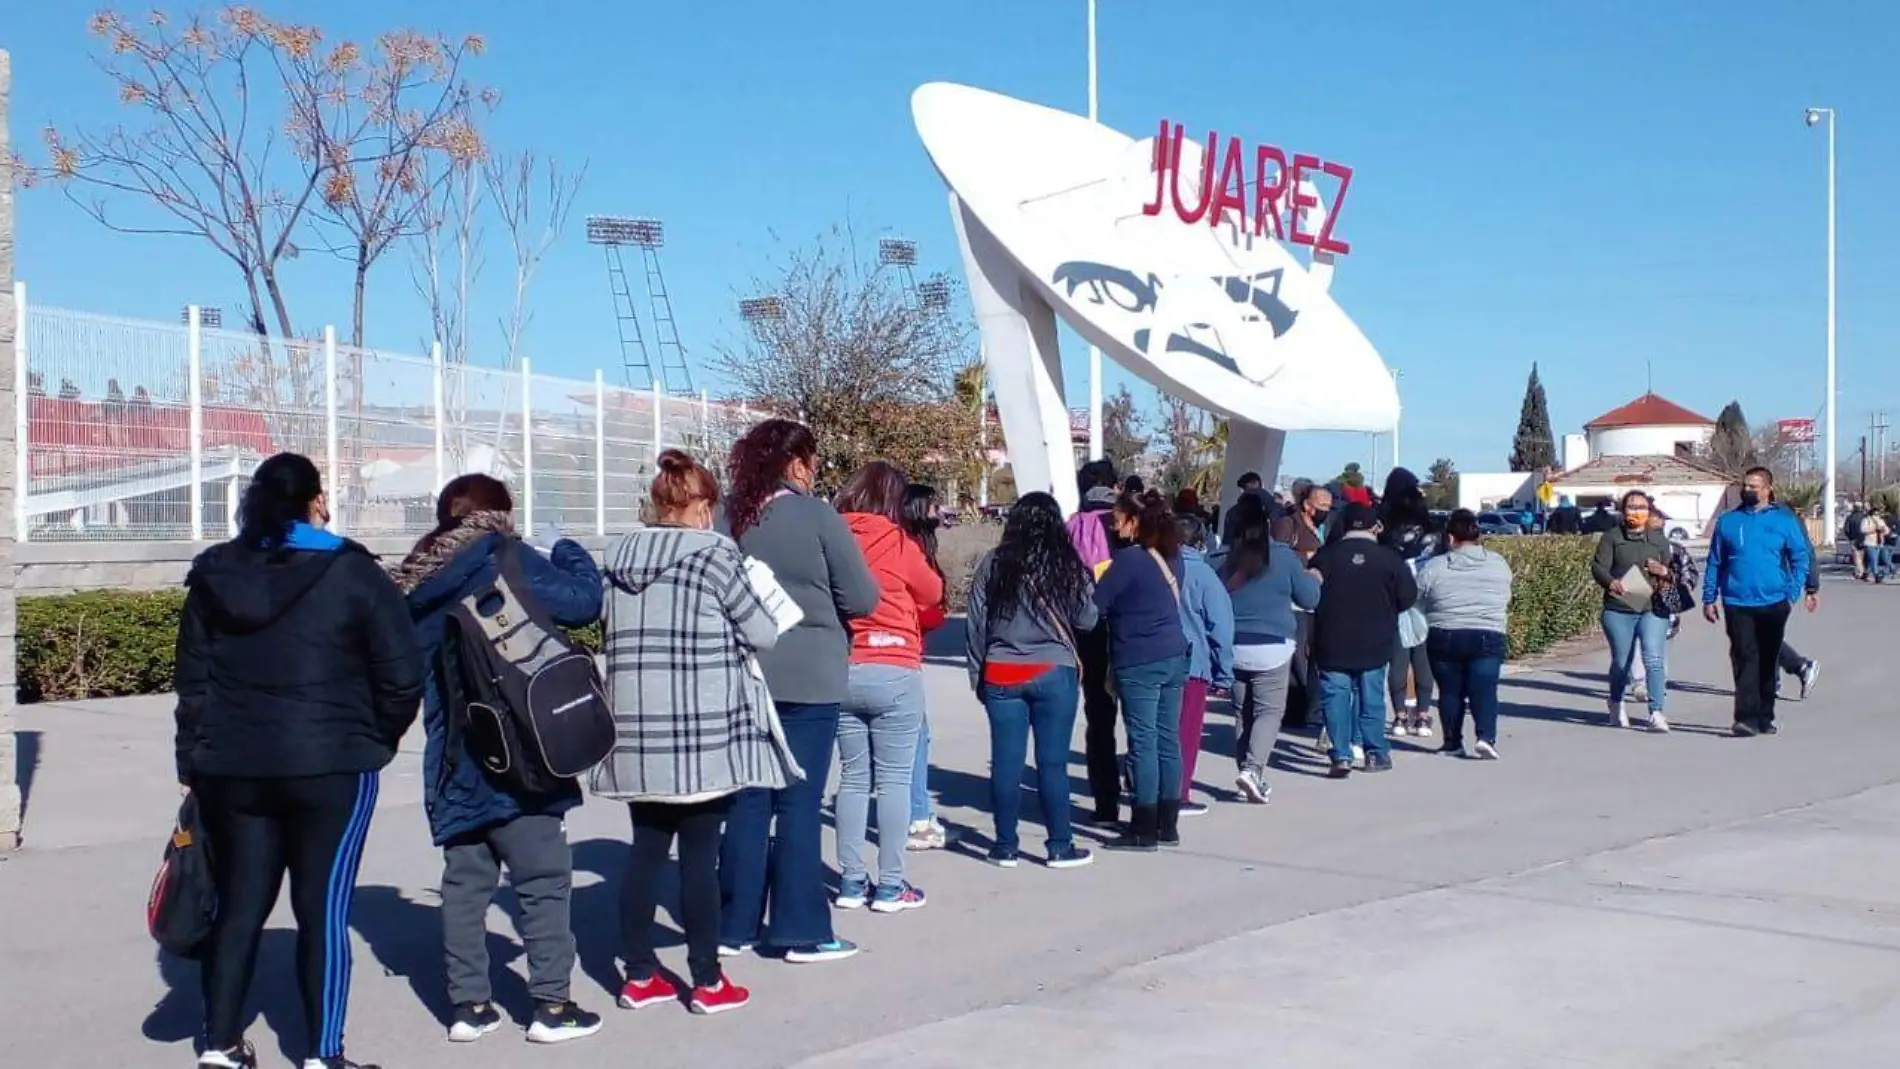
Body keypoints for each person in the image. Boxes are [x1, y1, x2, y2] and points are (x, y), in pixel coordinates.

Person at [176, 453, 423, 1069]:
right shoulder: (353, 571)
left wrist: (193, 761)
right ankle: (322, 1054)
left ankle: (221, 1045)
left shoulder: (215, 572)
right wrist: (375, 740)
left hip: (233, 767)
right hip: (332, 766)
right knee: (322, 911)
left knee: (239, 908)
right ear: (316, 498)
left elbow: (193, 683)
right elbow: (402, 676)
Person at [387, 473, 606, 1045]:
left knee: (464, 884)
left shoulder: (417, 581)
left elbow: (400, 676)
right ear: (499, 514)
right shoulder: (505, 555)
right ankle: (552, 1008)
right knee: (542, 880)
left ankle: (469, 1007)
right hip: (525, 749)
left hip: (456, 758)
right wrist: (567, 549)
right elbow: (584, 602)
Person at [592, 450, 801, 1018]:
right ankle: (707, 979)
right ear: (703, 505)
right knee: (699, 857)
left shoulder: (619, 555)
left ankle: (637, 974)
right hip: (701, 728)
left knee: (646, 850)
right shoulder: (715, 555)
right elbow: (762, 631)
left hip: (635, 729)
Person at [719, 419, 880, 963]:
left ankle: (735, 924)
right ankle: (800, 928)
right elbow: (861, 596)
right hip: (810, 675)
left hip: (745, 675)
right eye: (811, 461)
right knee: (798, 802)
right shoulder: (816, 516)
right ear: (795, 464)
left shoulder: (730, 517)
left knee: (747, 799)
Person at [964, 492, 1101, 868]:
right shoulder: (1067, 564)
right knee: (1052, 764)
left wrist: (978, 673)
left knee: (1005, 763)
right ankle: (1059, 845)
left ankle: (1004, 846)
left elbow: (976, 624)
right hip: (1054, 670)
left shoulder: (993, 564)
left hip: (1001, 670)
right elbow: (1088, 619)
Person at [831, 462, 942, 912]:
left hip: (845, 664)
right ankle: (891, 885)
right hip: (895, 664)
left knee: (854, 779)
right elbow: (933, 592)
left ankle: (851, 882)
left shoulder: (833, 534)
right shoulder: (898, 541)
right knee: (894, 780)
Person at [1093, 492, 1191, 850]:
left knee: (1143, 741)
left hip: (1139, 657)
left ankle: (1143, 827)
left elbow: (1096, 607)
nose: (1113, 527)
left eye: (1117, 520)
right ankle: (1168, 823)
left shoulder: (1128, 561)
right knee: (1168, 739)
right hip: (1173, 654)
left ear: (1134, 521)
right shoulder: (1172, 558)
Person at [1215, 494, 1320, 804]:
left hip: (1233, 644)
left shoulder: (1222, 559)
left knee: (1242, 713)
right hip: (1273, 645)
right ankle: (1253, 770)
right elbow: (1309, 599)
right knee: (1269, 712)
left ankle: (1248, 773)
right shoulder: (1285, 557)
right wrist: (1313, 577)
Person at [1702, 467, 1814, 738]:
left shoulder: (1784, 521)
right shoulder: (1728, 521)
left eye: (1754, 486)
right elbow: (1715, 561)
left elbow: (1801, 557)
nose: (1748, 490)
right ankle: (1746, 719)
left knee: (1767, 659)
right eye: (1745, 485)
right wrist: (1709, 597)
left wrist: (1792, 591)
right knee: (1743, 658)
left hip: (1774, 601)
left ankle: (1766, 716)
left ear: (1767, 489)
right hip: (1736, 601)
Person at [1309, 503, 1417, 778]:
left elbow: (1309, 594)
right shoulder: (1390, 559)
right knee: (1371, 696)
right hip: (1376, 639)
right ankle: (1375, 752)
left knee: (1335, 696)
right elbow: (1408, 597)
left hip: (1332, 638)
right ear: (1374, 526)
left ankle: (1340, 754)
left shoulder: (1325, 557)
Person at [1415, 510, 1513, 759]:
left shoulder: (1435, 566)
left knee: (1450, 691)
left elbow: (1418, 596)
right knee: (1485, 688)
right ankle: (1485, 737)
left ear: (1450, 538)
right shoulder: (1497, 562)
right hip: (1488, 632)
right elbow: (1506, 593)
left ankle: (1452, 742)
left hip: (1445, 632)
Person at [1065, 459, 1126, 825]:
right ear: (1114, 485)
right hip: (1132, 631)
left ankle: (1106, 803)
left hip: (1088, 632)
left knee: (1099, 717)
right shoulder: (1127, 522)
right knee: (1141, 720)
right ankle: (1148, 795)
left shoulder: (1071, 526)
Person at [1587, 490, 1673, 733]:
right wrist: (1610, 581)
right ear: (1622, 511)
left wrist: (1664, 572)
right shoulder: (1612, 538)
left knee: (1653, 659)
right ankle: (1616, 702)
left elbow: (1672, 573)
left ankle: (1656, 712)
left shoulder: (1658, 540)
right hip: (1620, 608)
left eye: (1642, 507)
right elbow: (1598, 567)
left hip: (1652, 607)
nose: (1637, 512)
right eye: (1631, 507)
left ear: (1649, 511)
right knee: (1621, 662)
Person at [899, 483, 952, 851]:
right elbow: (929, 604)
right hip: (903, 651)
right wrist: (936, 612)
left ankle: (911, 812)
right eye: (934, 507)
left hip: (903, 649)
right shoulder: (910, 549)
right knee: (916, 736)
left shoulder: (909, 545)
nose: (940, 513)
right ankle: (916, 816)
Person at [1171, 513, 1234, 816]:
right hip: (1191, 663)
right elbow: (1220, 626)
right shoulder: (1204, 574)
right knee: (1186, 731)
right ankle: (1178, 793)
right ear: (1199, 541)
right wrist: (1224, 673)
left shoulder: (1151, 566)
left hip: (1149, 662)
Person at [1378, 467, 1440, 738]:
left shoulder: (1384, 523)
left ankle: (1400, 716)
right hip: (1426, 595)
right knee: (1424, 658)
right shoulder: (1429, 524)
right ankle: (1423, 716)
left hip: (1393, 596)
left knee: (1398, 659)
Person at [1272, 482, 1332, 730]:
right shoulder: (1289, 524)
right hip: (1293, 601)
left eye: (1329, 506)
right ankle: (1295, 710)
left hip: (1317, 600)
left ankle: (1310, 710)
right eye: (1322, 506)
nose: (1326, 510)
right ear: (1307, 505)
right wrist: (1307, 558)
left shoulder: (1325, 527)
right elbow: (1277, 556)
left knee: (1313, 658)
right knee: (1297, 658)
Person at [1862, 506, 1891, 583]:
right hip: (1870, 543)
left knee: (1874, 560)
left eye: (1878, 514)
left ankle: (1866, 573)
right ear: (1871, 514)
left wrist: (1883, 530)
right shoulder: (1866, 520)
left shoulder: (1880, 521)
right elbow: (1863, 530)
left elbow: (1887, 530)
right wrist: (1873, 529)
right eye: (1875, 514)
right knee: (1874, 559)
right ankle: (1876, 576)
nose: (1876, 516)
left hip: (1879, 543)